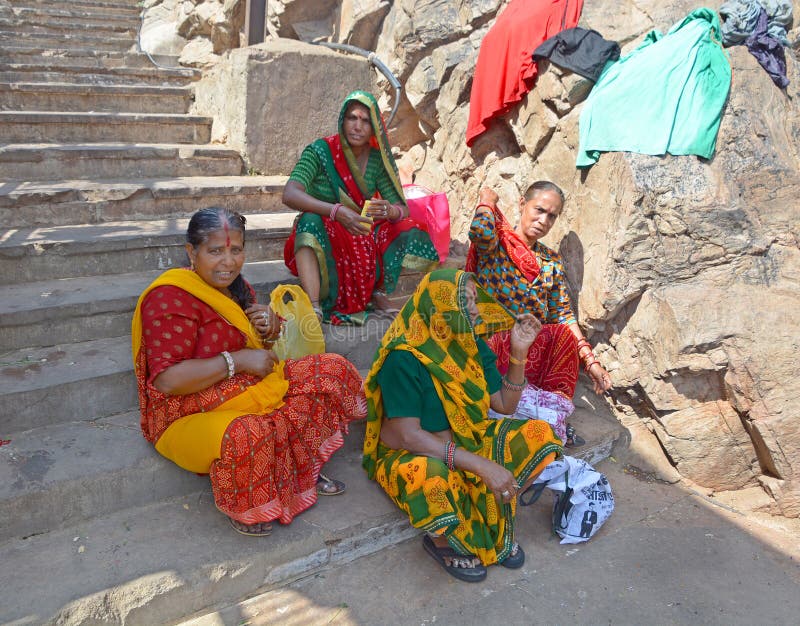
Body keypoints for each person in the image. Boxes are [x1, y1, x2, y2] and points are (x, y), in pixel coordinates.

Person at [132, 207, 366, 536]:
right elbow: (169, 380)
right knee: (249, 433)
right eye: (215, 251)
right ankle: (249, 502)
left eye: (236, 250)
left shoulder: (235, 288)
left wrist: (269, 329)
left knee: (333, 370)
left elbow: (261, 347)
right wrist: (239, 361)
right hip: (185, 410)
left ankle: (301, 471)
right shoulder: (169, 298)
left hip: (251, 386)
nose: (228, 261)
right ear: (191, 252)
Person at [362, 269, 563, 582]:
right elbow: (408, 436)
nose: (473, 308)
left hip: (467, 439)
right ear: (437, 307)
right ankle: (443, 541)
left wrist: (518, 352)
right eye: (463, 301)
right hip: (412, 454)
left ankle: (492, 517)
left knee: (541, 436)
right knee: (432, 479)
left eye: (473, 300)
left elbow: (505, 405)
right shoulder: (403, 356)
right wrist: (483, 466)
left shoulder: (468, 343)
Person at [466, 182, 613, 444]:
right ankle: (515, 413)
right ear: (522, 204)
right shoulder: (496, 244)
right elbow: (478, 232)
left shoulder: (550, 260)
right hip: (493, 349)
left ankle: (552, 417)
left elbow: (563, 315)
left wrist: (591, 362)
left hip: (530, 350)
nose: (543, 220)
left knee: (561, 335)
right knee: (503, 341)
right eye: (539, 210)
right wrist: (487, 200)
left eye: (552, 216)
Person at [282, 90, 439, 325]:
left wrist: (389, 210)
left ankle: (377, 292)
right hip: (328, 229)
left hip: (360, 230)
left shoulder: (377, 159)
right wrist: (335, 211)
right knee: (309, 220)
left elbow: (401, 208)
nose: (357, 126)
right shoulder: (320, 152)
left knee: (405, 227)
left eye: (365, 121)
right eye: (352, 118)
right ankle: (314, 305)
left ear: (374, 126)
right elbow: (290, 193)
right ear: (342, 121)